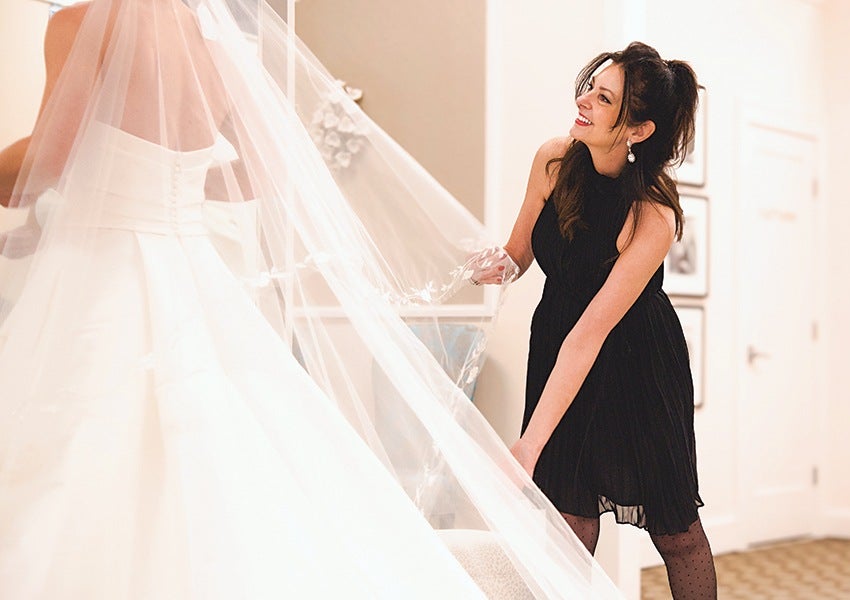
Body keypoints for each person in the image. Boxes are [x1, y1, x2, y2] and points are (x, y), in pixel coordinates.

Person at [0, 1, 622, 597]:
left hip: (108, 267)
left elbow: (48, 158)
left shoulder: (81, 23)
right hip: (187, 267)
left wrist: (102, 187)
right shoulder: (213, 46)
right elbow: (252, 173)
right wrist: (166, 184)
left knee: (84, 441)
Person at [475, 42, 718, 599]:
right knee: (568, 520)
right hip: (558, 339)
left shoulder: (652, 213)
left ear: (637, 130)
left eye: (603, 98)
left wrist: (527, 446)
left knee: (675, 532)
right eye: (590, 86)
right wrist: (472, 263)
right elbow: (516, 255)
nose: (583, 100)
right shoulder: (554, 161)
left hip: (634, 360)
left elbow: (592, 334)